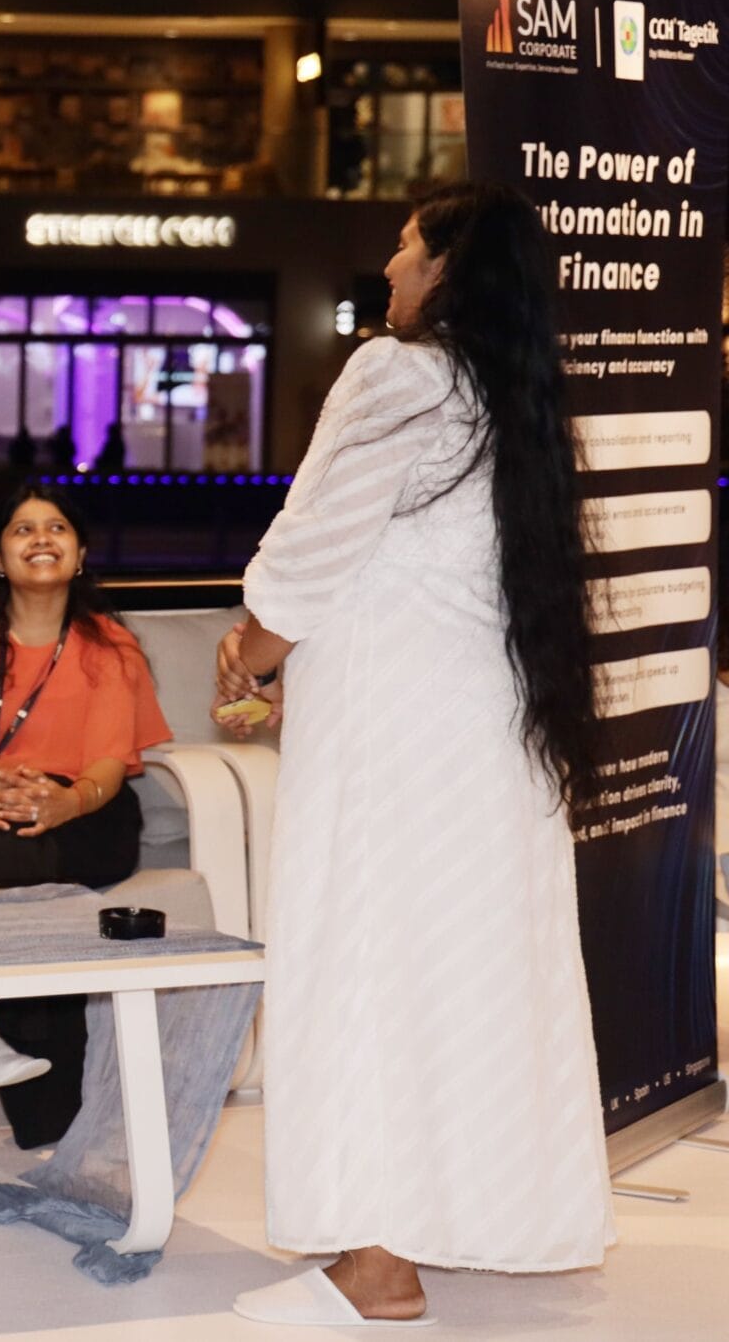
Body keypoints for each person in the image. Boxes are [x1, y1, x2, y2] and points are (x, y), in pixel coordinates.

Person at [219, 184, 610, 1327]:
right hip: (487, 735)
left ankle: (377, 1265)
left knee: (362, 967)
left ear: (445, 269)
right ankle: (442, 1222)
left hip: (393, 737)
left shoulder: (396, 375)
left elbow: (315, 543)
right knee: (473, 985)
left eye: (402, 251)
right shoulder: (518, 398)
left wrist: (249, 649)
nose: (387, 271)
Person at [0, 481, 169, 1147]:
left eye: (57, 528)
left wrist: (64, 799)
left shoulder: (110, 645)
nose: (41, 538)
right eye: (22, 529)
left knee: (25, 856)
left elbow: (107, 763)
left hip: (87, 808)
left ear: (79, 555)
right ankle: (48, 1110)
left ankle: (10, 1053)